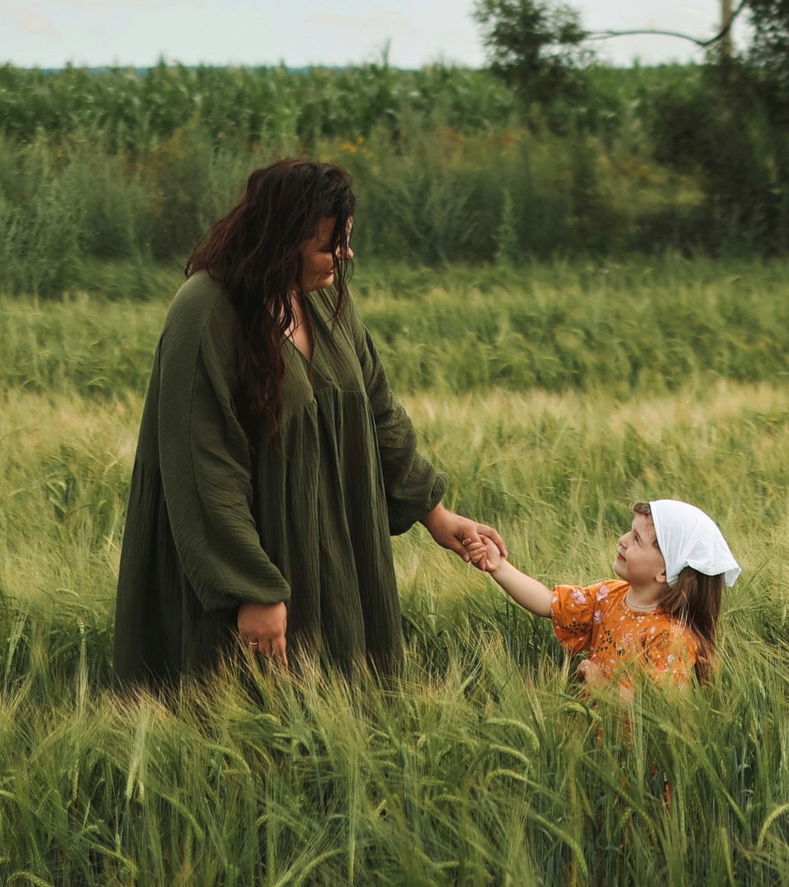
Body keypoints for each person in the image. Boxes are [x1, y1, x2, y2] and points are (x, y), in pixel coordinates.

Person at [112, 159, 502, 687]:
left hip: (338, 553)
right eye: (328, 245)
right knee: (241, 719)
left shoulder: (326, 302)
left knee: (344, 711)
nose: (344, 255)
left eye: (345, 240)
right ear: (279, 242)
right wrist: (252, 587)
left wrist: (435, 513)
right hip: (253, 563)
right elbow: (202, 461)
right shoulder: (205, 311)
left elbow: (378, 411)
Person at [476, 499, 739, 692]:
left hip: (635, 758)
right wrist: (499, 566)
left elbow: (660, 709)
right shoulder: (608, 595)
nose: (623, 539)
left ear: (665, 571)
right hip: (595, 739)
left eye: (637, 539)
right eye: (630, 531)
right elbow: (549, 603)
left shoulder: (671, 636)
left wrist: (603, 686)